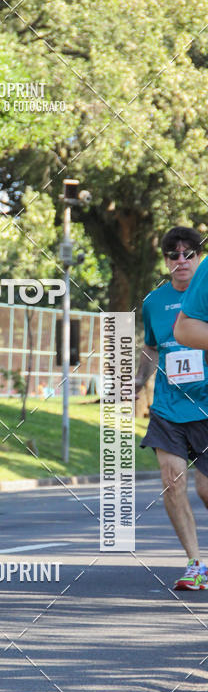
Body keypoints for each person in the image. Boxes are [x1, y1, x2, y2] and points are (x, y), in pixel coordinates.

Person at [136, 226, 208, 590]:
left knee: (206, 490)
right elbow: (152, 347)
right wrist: (137, 381)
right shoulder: (153, 302)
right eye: (173, 255)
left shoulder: (205, 296)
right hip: (168, 407)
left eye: (189, 254)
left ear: (199, 257)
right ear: (165, 261)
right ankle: (195, 564)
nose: (181, 261)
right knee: (172, 479)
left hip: (206, 406)